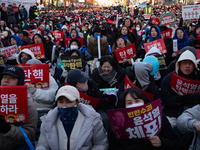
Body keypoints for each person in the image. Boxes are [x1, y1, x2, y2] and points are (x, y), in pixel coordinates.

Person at [36, 85, 109, 150]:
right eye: (61, 102)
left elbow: (101, 144)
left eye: (69, 102)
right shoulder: (48, 121)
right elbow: (43, 145)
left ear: (77, 102)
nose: (64, 106)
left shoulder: (93, 120)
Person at [108, 87, 177, 150]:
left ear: (144, 101)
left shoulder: (159, 118)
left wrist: (161, 142)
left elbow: (173, 143)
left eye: (137, 101)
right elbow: (114, 145)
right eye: (129, 103)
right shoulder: (117, 123)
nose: (134, 105)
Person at [0, 65, 38, 150]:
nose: (6, 80)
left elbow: (30, 134)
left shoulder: (28, 105)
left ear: (19, 82)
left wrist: (7, 129)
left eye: (12, 78)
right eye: (4, 77)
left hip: (15, 146)